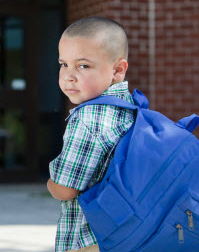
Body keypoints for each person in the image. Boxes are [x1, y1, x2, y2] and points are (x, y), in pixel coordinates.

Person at [47, 17, 135, 252]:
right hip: (128, 233)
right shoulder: (131, 107)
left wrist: (51, 184)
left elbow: (66, 190)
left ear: (118, 70)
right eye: (63, 64)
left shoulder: (88, 118)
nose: (68, 75)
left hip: (90, 240)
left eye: (83, 65)